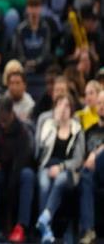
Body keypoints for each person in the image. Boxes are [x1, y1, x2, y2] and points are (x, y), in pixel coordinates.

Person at [0, 97, 35, 243]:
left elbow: (22, 161)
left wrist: (10, 185)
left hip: (17, 171)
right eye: (0, 120)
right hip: (1, 170)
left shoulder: (22, 132)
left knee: (28, 175)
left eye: (5, 121)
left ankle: (21, 227)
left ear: (12, 114)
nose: (2, 124)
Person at [36, 94, 85, 244]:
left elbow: (78, 159)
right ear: (55, 107)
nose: (63, 109)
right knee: (44, 184)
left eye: (67, 106)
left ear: (72, 109)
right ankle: (46, 230)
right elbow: (39, 151)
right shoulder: (48, 125)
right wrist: (54, 126)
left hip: (67, 170)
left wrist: (61, 167)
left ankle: (45, 219)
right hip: (47, 166)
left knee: (60, 180)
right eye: (60, 105)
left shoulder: (77, 129)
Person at [78, 90, 104, 244]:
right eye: (100, 103)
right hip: (92, 173)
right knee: (86, 175)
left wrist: (96, 153)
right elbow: (82, 156)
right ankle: (88, 230)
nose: (102, 106)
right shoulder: (89, 131)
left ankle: (88, 230)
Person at [12, 0, 52, 74]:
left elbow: (46, 51)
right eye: (31, 7)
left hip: (42, 67)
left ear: (40, 8)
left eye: (36, 7)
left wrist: (36, 62)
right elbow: (18, 51)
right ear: (27, 9)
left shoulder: (46, 28)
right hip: (23, 67)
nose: (34, 10)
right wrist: (25, 62)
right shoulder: (20, 29)